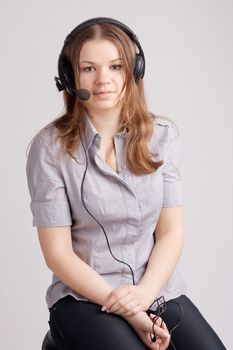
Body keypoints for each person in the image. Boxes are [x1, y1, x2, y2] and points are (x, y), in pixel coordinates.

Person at [26, 17, 226, 350]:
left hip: (155, 287)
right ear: (70, 76)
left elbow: (170, 232)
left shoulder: (162, 137)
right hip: (84, 297)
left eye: (116, 66)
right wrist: (133, 311)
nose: (103, 79)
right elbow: (58, 254)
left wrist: (146, 295)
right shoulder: (50, 148)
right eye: (89, 68)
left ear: (133, 71)